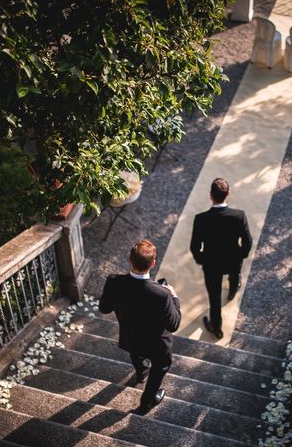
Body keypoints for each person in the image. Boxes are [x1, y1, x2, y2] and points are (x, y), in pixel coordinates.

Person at [99, 239, 181, 413]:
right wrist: (174, 298)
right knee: (160, 369)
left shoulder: (114, 282)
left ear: (130, 259)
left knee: (137, 354)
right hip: (157, 346)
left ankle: (141, 372)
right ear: (153, 263)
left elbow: (104, 309)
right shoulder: (162, 294)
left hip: (130, 337)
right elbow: (174, 325)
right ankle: (146, 402)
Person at [190, 177, 253, 339]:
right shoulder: (239, 216)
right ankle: (232, 291)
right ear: (228, 193)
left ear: (211, 195)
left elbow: (195, 247)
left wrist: (202, 260)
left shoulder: (201, 219)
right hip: (233, 260)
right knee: (234, 276)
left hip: (211, 264)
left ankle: (216, 327)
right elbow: (248, 241)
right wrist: (241, 256)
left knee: (214, 297)